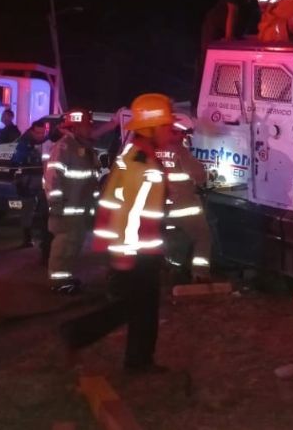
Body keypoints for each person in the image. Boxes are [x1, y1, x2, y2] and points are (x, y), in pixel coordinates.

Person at [61, 93, 178, 373]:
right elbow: (128, 212)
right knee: (133, 306)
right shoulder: (142, 164)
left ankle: (138, 361)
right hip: (135, 250)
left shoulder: (134, 155)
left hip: (138, 248)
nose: (170, 132)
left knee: (143, 307)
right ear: (151, 129)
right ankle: (77, 333)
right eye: (166, 126)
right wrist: (124, 254)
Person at [44, 110, 100, 293]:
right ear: (75, 127)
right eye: (87, 125)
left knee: (72, 245)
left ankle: (65, 277)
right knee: (64, 246)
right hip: (67, 208)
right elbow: (53, 177)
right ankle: (59, 283)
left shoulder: (80, 146)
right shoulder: (64, 147)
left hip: (78, 208)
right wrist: (56, 203)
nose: (91, 128)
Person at [156, 112, 211, 283]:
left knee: (175, 238)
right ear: (178, 132)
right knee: (203, 237)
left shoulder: (157, 150)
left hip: (162, 207)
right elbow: (199, 175)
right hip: (184, 207)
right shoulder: (180, 151)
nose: (186, 137)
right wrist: (209, 175)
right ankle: (200, 274)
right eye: (185, 133)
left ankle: (173, 269)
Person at [12, 119, 51, 259]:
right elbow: (17, 160)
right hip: (28, 180)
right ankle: (27, 238)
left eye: (43, 132)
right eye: (38, 132)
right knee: (28, 209)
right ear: (32, 130)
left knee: (44, 210)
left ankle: (42, 239)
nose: (41, 135)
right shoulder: (23, 143)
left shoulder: (46, 140)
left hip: (41, 179)